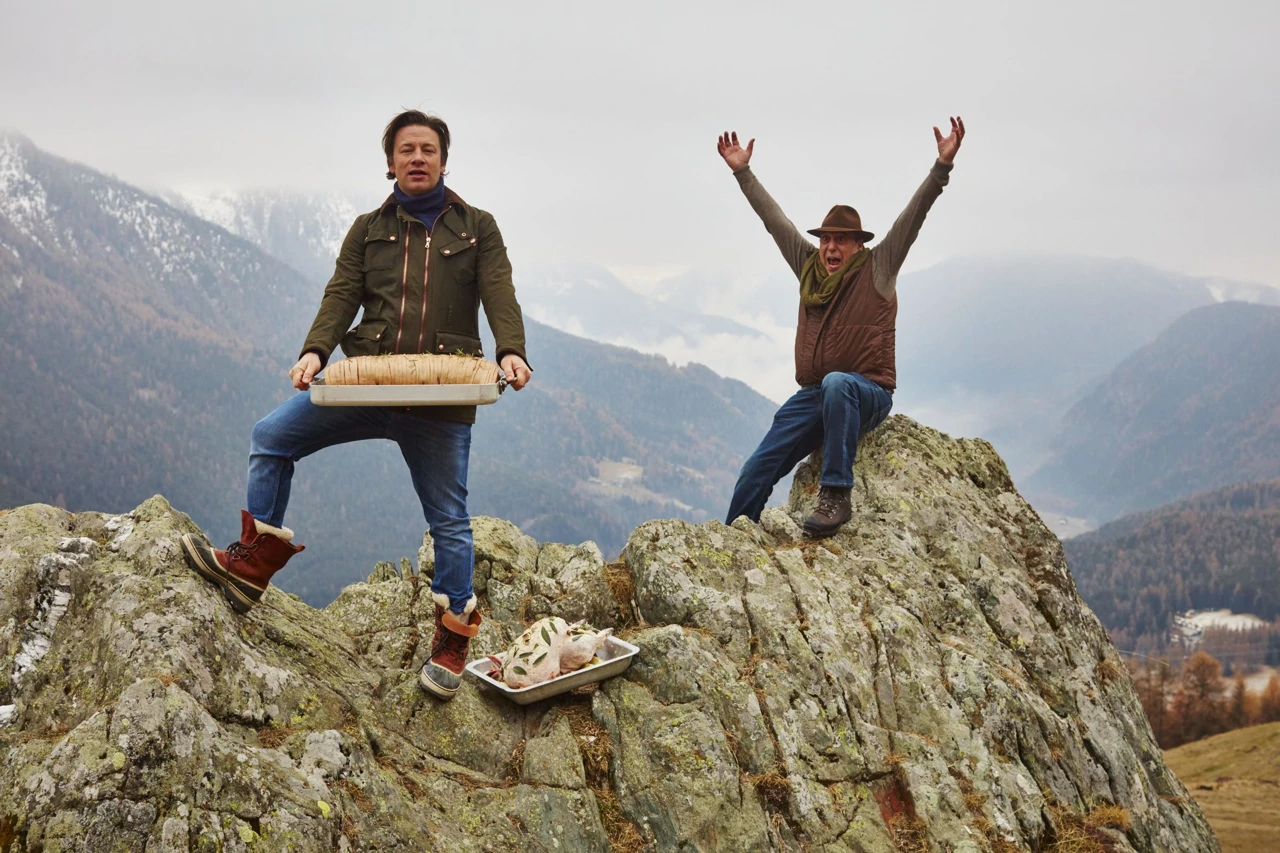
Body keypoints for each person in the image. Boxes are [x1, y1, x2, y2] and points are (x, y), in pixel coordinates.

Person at [180, 110, 532, 700]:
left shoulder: (479, 228)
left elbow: (499, 291)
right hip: (366, 382)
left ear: (444, 160)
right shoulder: (369, 229)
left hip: (443, 395)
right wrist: (316, 352)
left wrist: (512, 350)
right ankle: (250, 563)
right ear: (390, 161)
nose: (417, 158)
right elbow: (342, 293)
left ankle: (452, 639)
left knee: (448, 518)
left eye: (427, 149)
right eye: (406, 150)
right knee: (271, 436)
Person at [719, 117, 965, 537]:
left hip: (865, 393)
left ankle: (836, 495)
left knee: (838, 382)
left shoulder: (879, 269)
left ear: (858, 246)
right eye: (825, 239)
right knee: (755, 469)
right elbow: (775, 222)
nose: (830, 246)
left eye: (841, 240)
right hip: (816, 395)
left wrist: (940, 168)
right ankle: (732, 537)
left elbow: (914, 216)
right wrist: (743, 172)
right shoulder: (809, 269)